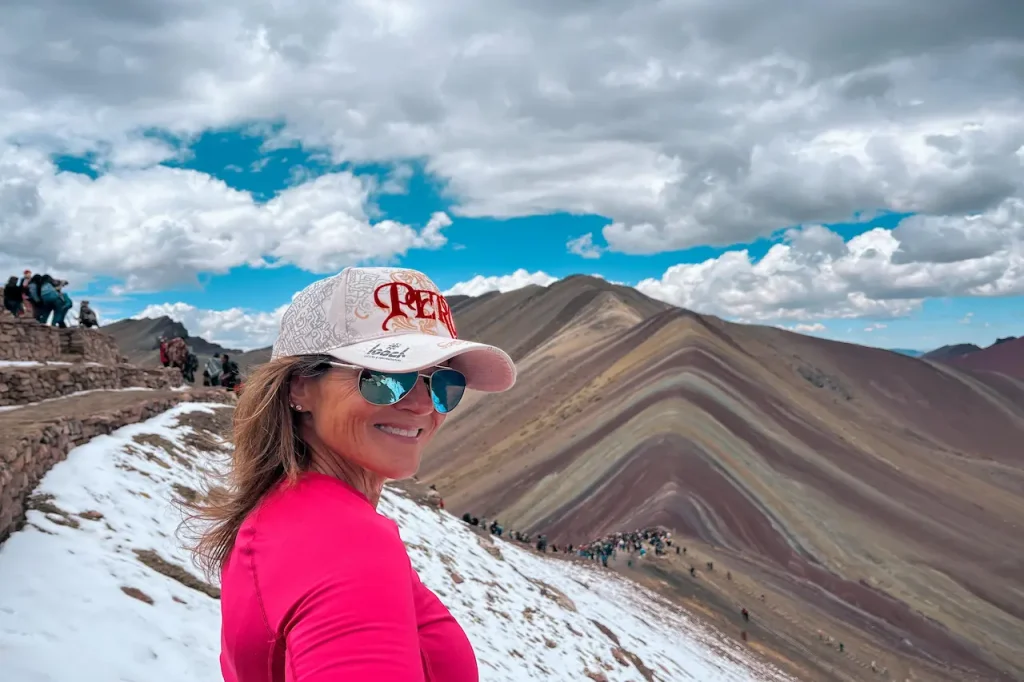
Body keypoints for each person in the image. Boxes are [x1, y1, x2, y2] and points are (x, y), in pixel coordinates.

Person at [187, 266, 516, 682]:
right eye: (386, 377)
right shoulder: (345, 542)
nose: (422, 405)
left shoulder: (279, 515)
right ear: (299, 386)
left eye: (443, 383)